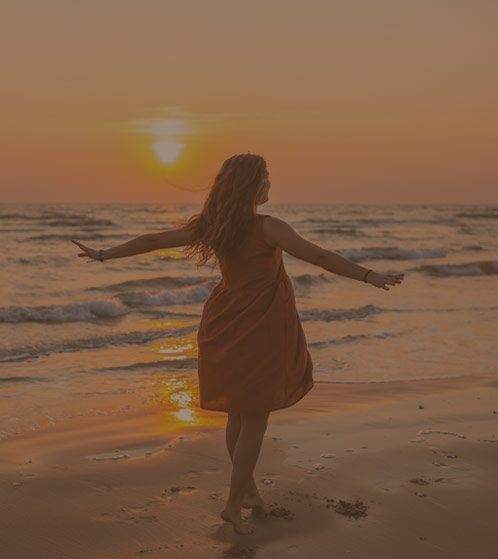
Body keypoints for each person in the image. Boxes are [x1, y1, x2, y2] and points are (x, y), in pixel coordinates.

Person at [72, 153, 404, 535]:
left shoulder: (213, 227)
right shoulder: (268, 227)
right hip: (260, 326)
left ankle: (249, 495)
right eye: (266, 177)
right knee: (255, 416)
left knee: (238, 413)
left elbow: (154, 240)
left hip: (223, 321)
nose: (270, 184)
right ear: (254, 185)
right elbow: (319, 256)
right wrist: (368, 275)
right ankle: (232, 504)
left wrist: (103, 254)